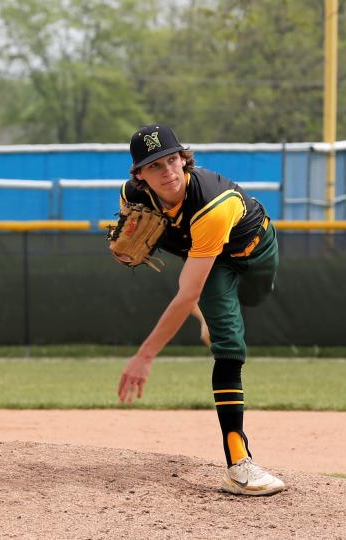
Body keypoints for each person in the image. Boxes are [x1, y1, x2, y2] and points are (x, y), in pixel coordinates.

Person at [113, 123, 284, 496]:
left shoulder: (211, 203)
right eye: (155, 166)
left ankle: (213, 315)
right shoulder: (132, 197)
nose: (168, 171)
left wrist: (145, 355)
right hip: (210, 262)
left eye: (172, 159)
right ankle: (240, 464)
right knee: (229, 347)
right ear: (139, 175)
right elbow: (181, 280)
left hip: (254, 251)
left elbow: (185, 295)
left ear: (184, 159)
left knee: (250, 298)